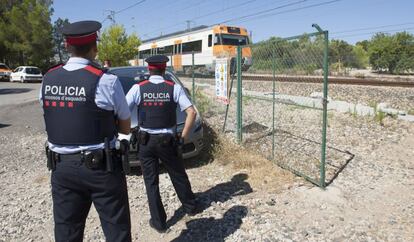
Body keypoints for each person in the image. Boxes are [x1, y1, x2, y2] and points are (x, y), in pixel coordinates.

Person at [40, 20, 132, 242]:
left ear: (66, 46)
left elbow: (50, 113)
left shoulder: (48, 78)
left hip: (61, 168)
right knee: (116, 230)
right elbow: (125, 122)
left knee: (66, 231)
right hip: (101, 169)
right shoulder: (106, 80)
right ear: (95, 47)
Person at [126, 55, 199, 233]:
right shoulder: (173, 88)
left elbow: (121, 111)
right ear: (164, 69)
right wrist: (183, 137)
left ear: (148, 69)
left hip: (146, 142)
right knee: (178, 174)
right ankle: (191, 207)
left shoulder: (138, 88)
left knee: (151, 182)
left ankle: (159, 223)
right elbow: (191, 113)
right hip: (168, 142)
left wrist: (129, 132)